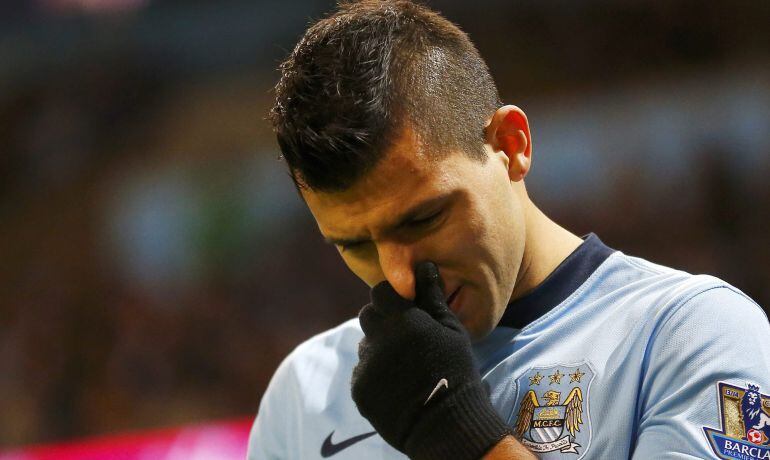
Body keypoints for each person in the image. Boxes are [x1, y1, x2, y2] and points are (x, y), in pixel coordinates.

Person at [248, 1, 770, 459]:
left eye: (424, 218)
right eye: (355, 245)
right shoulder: (306, 392)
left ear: (510, 144)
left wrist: (461, 438)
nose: (400, 279)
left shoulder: (691, 335)